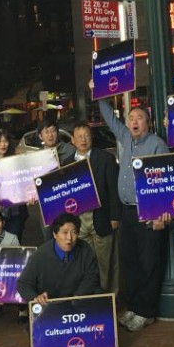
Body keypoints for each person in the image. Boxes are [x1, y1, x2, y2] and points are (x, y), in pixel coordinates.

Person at [96, 91, 168, 332]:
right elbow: (109, 117)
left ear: (148, 123)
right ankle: (135, 307)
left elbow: (167, 182)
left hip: (148, 212)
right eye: (131, 118)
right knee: (130, 261)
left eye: (139, 118)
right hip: (127, 211)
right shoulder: (125, 137)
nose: (134, 121)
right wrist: (99, 94)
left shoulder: (157, 144)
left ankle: (147, 312)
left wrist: (160, 213)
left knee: (149, 262)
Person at [70, 122, 120, 294]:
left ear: (92, 138)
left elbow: (113, 189)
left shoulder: (105, 159)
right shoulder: (67, 163)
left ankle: (108, 297)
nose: (83, 140)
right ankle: (88, 297)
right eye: (79, 137)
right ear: (73, 140)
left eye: (87, 136)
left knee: (106, 262)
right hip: (78, 219)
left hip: (101, 216)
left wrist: (115, 216)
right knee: (83, 261)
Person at [16, 212, 101, 306]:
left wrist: (77, 297)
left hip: (78, 300)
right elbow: (23, 284)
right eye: (65, 232)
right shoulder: (40, 255)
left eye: (74, 232)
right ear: (55, 234)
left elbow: (92, 276)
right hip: (50, 305)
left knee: (100, 295)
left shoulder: (84, 249)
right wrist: (36, 297)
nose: (69, 238)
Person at [0, 128, 28, 241]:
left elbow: (24, 182)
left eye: (5, 141)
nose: (2, 144)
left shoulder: (17, 160)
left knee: (14, 240)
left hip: (15, 210)